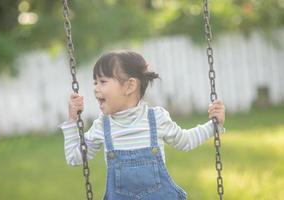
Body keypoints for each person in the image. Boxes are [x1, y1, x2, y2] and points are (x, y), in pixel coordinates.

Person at [59, 50, 226, 200]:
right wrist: (73, 121)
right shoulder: (102, 126)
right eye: (95, 82)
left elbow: (185, 141)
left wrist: (214, 125)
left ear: (130, 86)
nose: (95, 88)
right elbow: (74, 158)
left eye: (102, 81)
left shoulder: (156, 118)